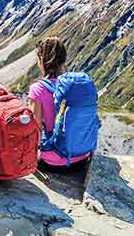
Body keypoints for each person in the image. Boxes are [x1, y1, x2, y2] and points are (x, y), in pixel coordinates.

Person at [28, 37, 91, 173]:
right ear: (63, 59)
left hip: (54, 162)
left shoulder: (37, 89)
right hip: (82, 158)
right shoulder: (75, 84)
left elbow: (35, 129)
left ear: (41, 60)